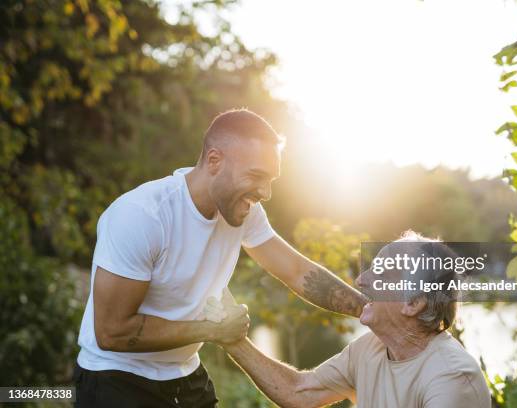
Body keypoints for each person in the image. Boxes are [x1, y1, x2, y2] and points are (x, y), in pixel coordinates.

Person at [73, 109, 368, 407]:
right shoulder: (142, 216)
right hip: (116, 382)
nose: (265, 192)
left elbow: (295, 271)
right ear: (214, 161)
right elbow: (111, 332)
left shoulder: (245, 210)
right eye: (256, 176)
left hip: (185, 376)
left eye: (271, 180)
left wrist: (370, 310)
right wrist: (213, 331)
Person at [221, 232, 492, 408]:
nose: (361, 280)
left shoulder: (451, 377)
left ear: (413, 303)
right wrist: (231, 338)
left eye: (382, 273)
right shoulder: (369, 349)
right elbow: (299, 392)